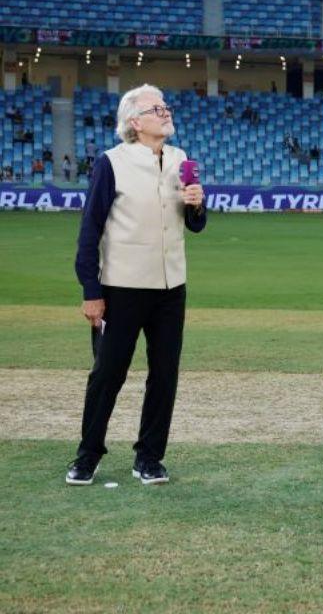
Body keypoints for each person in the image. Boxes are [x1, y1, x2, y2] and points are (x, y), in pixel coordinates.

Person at [65, 85, 206, 486]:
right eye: (156, 109)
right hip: (121, 288)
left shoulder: (181, 159)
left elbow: (195, 225)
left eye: (166, 106)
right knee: (107, 374)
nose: (166, 112)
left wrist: (197, 203)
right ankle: (88, 455)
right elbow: (90, 230)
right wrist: (91, 291)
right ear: (134, 122)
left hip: (171, 288)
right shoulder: (111, 163)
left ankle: (149, 458)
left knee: (164, 375)